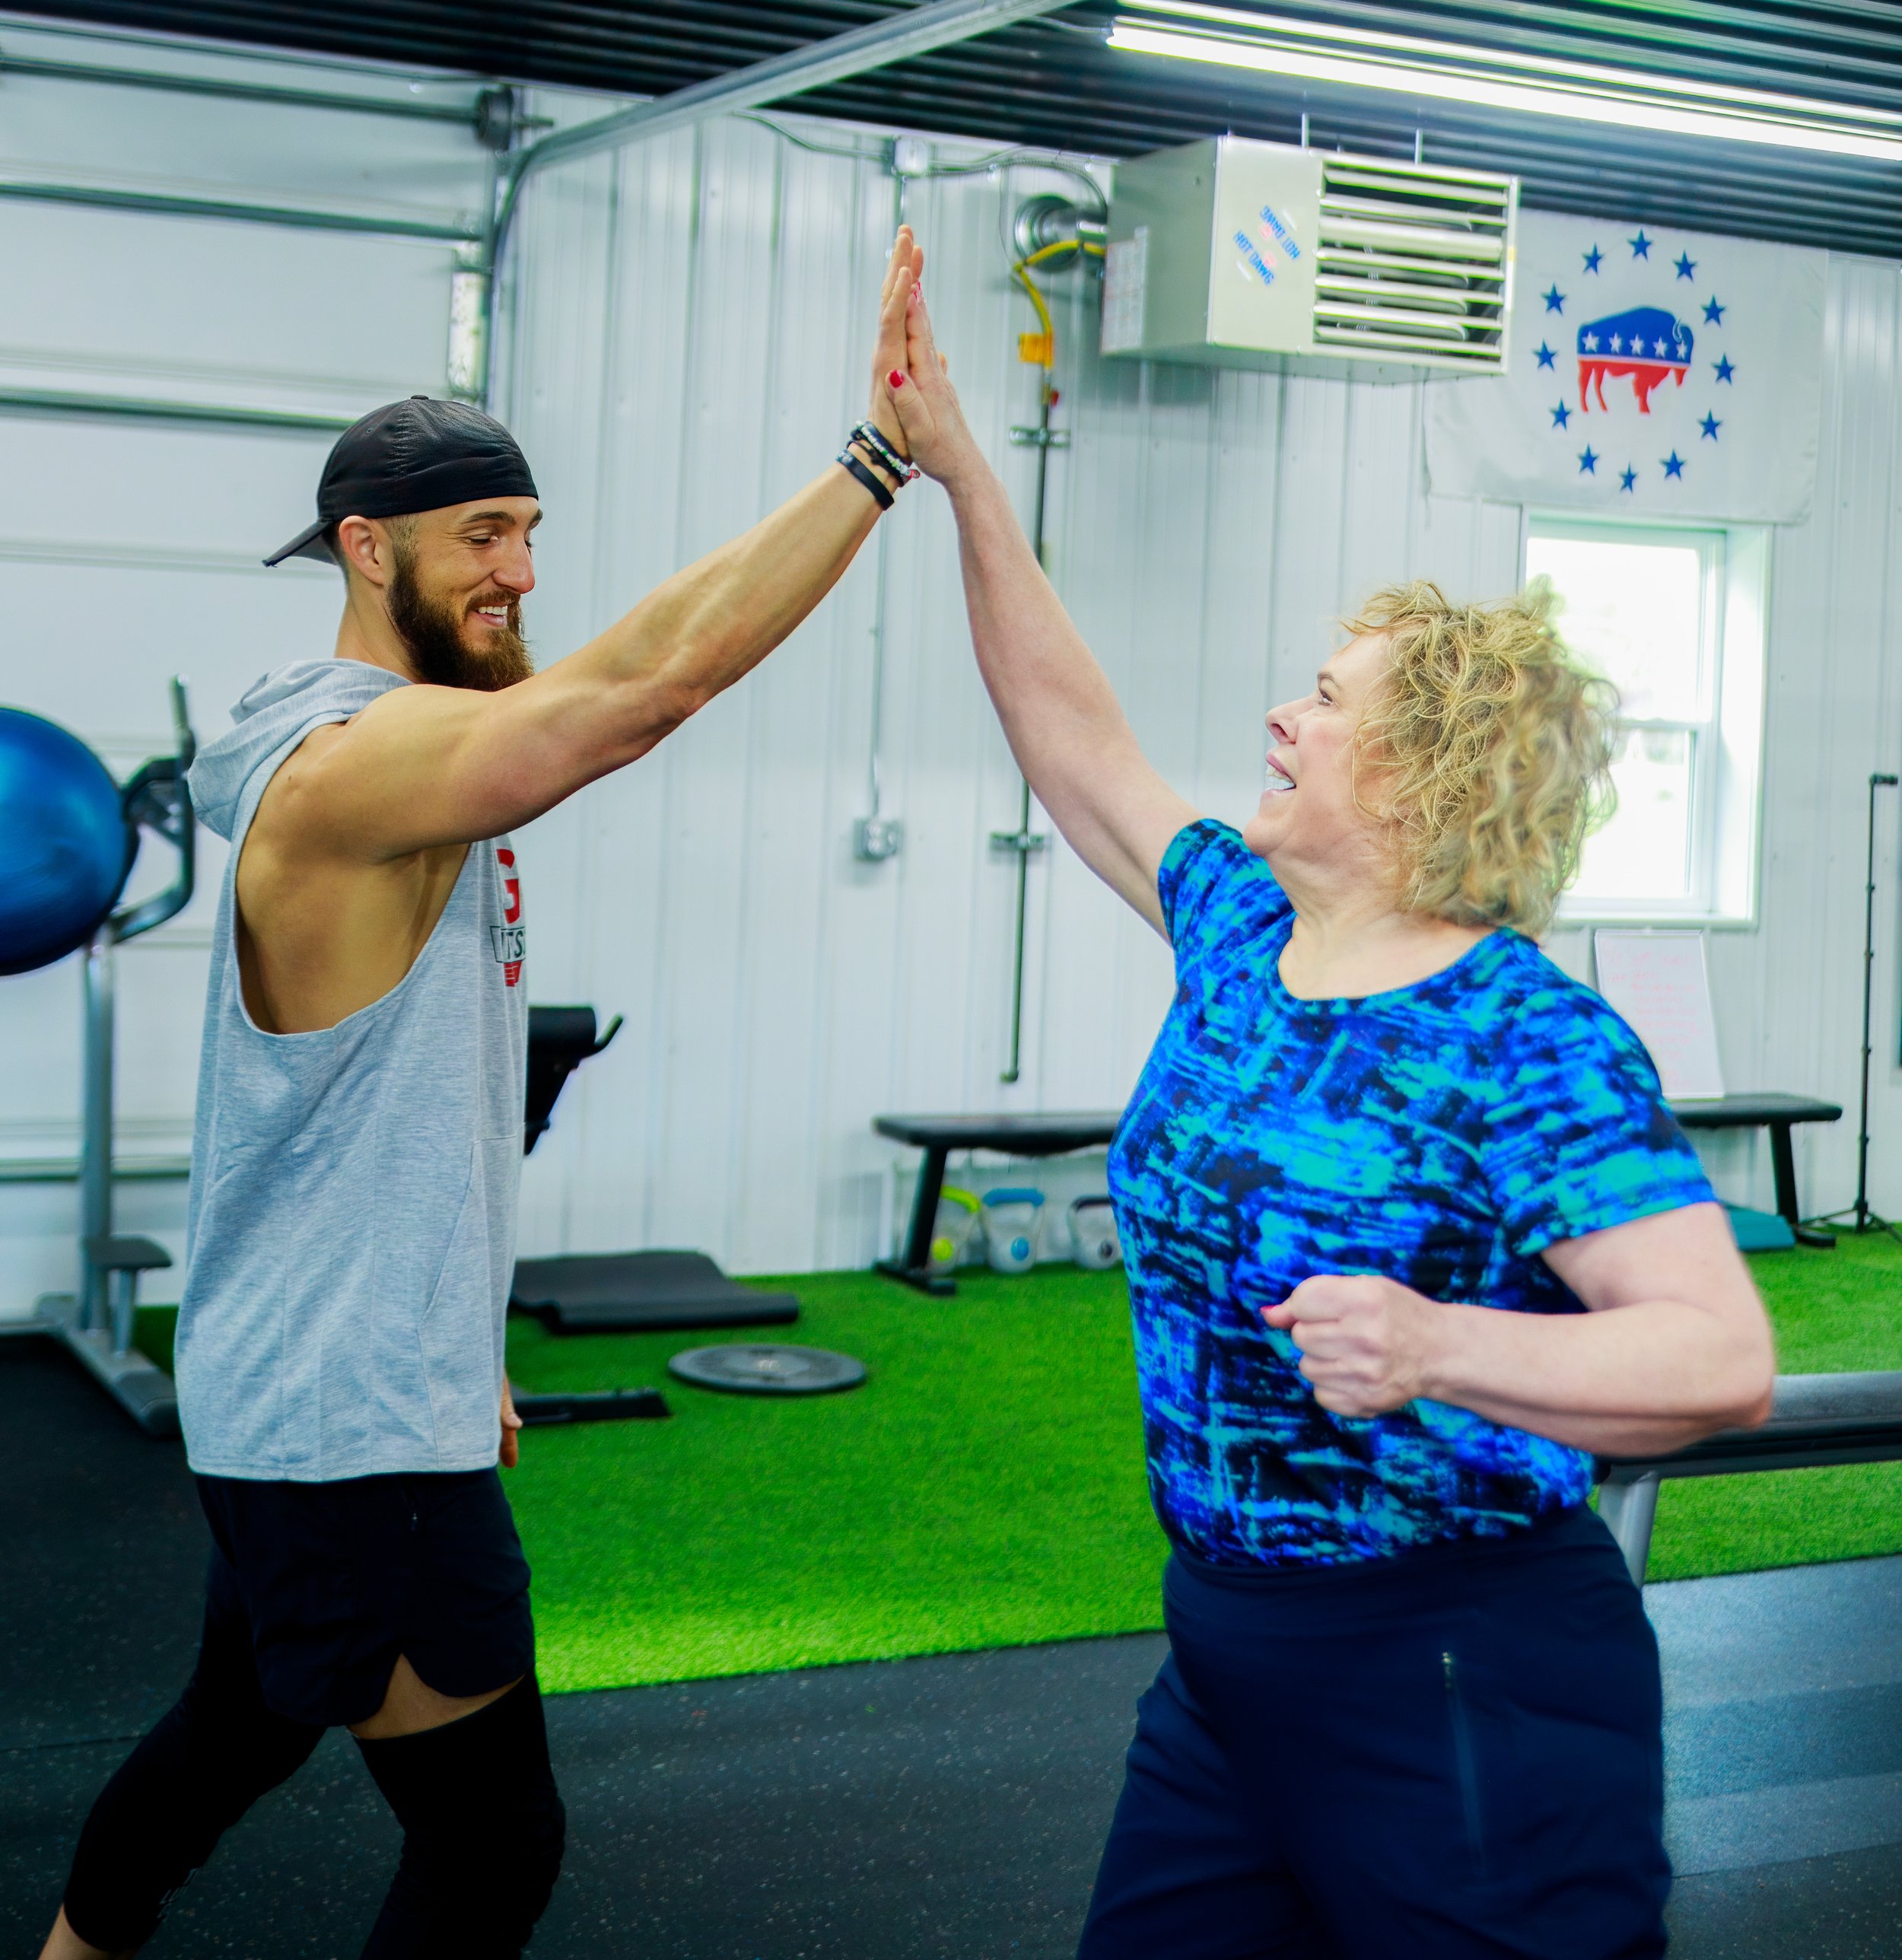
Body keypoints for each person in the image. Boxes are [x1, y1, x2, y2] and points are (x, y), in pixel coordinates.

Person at [41, 231, 927, 1960]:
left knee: (236, 1728)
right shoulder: (353, 767)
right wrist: (878, 459)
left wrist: (451, 1349)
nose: (519, 570)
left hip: (330, 1387)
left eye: (528, 532)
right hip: (345, 1430)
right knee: (492, 1847)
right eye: (481, 538)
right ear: (367, 550)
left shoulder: (393, 751)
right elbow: (641, 694)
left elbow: (603, 678)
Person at [886, 269, 1774, 1960]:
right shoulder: (1239, 935)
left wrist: (1439, 1345)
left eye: (1322, 699)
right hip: (1225, 1655)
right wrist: (962, 475)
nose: (1277, 718)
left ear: (1422, 775)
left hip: (1459, 1666)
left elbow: (1712, 1357)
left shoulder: (1520, 1036)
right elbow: (1068, 734)